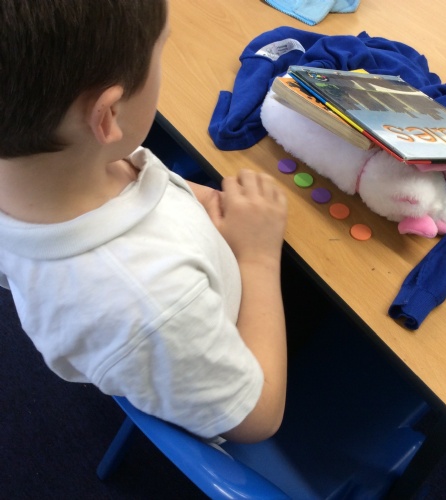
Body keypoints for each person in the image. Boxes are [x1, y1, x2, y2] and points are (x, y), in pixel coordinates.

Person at [0, 0, 288, 443]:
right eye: (162, 51)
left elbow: (139, 178)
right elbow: (259, 417)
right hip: (211, 353)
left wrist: (194, 200)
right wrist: (258, 257)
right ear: (108, 115)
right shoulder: (151, 305)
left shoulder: (48, 168)